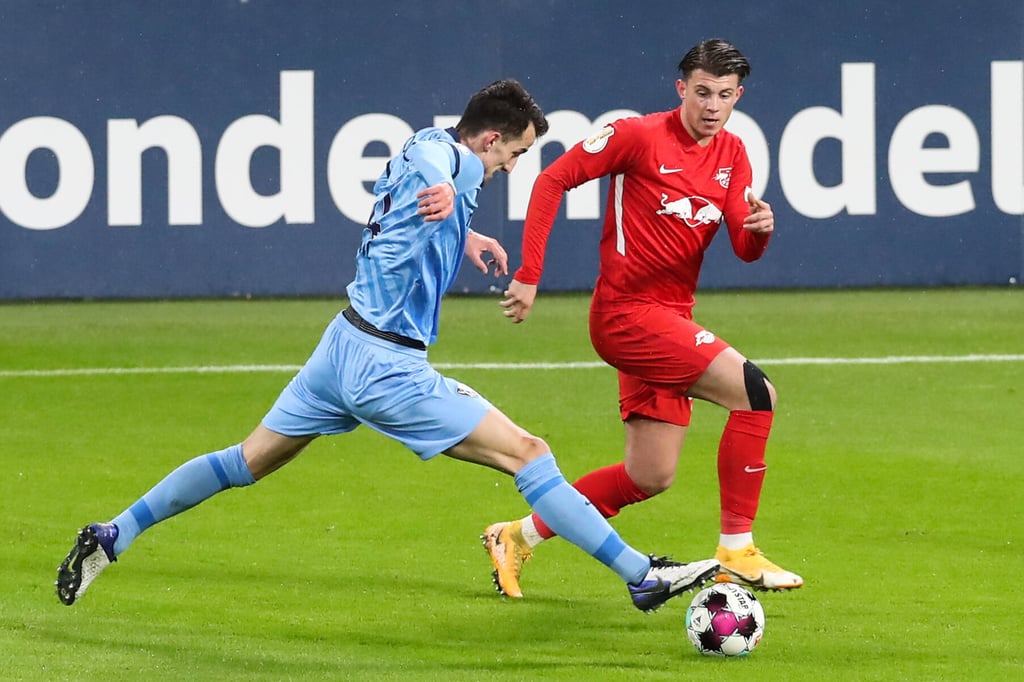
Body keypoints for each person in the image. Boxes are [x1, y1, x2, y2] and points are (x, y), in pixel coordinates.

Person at [55, 79, 719, 613]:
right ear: (490, 139)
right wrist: (455, 183)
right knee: (529, 455)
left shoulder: (423, 141)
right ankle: (640, 575)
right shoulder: (454, 162)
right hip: (386, 366)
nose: (514, 167)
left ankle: (116, 533)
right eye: (514, 154)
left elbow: (428, 174)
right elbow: (450, 170)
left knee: (245, 461)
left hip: (339, 345)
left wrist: (467, 234)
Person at [482, 41, 803, 598]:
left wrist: (761, 229)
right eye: (702, 92)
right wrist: (531, 272)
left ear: (737, 97)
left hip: (672, 319)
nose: (712, 106)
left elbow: (744, 248)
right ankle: (737, 549)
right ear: (681, 88)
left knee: (649, 475)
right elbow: (553, 179)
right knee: (758, 394)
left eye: (724, 96)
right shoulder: (637, 136)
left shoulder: (734, 154)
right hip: (627, 317)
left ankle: (516, 535)